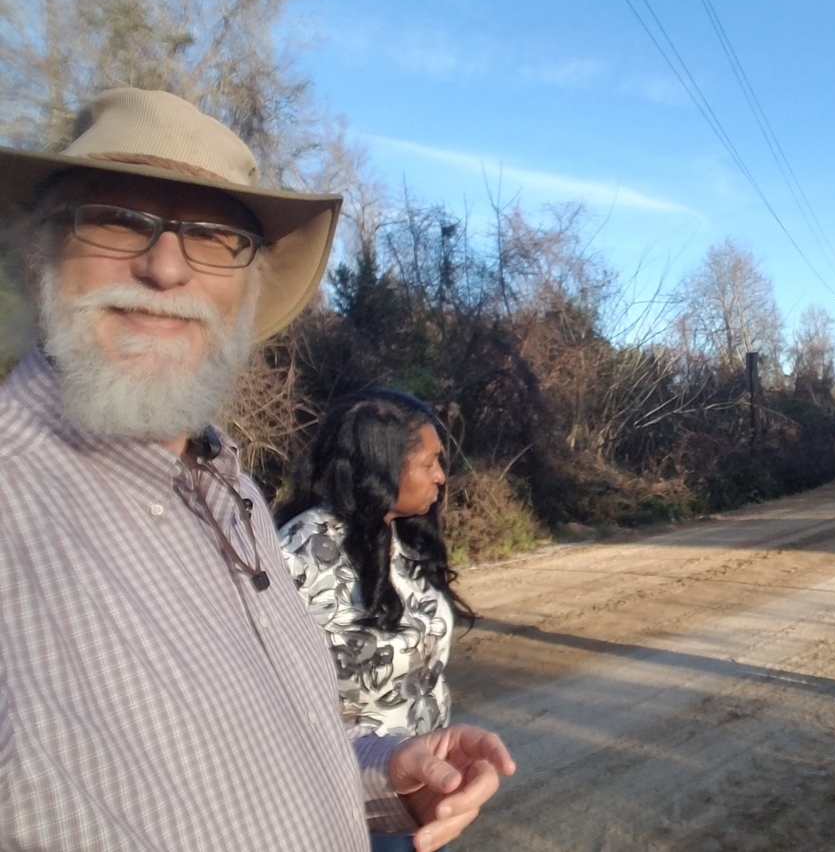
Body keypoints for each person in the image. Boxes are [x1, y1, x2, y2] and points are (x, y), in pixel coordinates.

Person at [0, 87, 514, 852]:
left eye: (213, 236)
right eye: (113, 219)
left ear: (249, 289)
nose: (165, 265)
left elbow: (259, 761)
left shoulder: (230, 488)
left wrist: (382, 774)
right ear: (40, 254)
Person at [277, 390, 471, 738]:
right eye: (429, 463)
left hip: (426, 768)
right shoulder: (295, 558)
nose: (440, 476)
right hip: (354, 778)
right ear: (384, 466)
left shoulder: (405, 538)